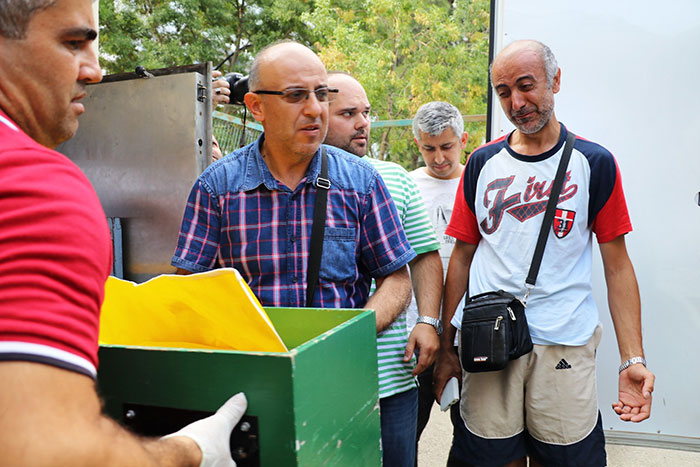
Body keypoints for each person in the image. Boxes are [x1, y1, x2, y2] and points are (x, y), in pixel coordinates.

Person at [0, 2, 248, 465]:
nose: (94, 71)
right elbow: (50, 450)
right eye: (73, 42)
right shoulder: (34, 186)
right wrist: (191, 451)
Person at [433, 39, 656, 467]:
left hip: (564, 344)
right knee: (490, 458)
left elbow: (617, 267)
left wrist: (633, 358)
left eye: (526, 85)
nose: (517, 102)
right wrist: (448, 346)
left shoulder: (594, 162)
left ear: (555, 80)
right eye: (503, 92)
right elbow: (461, 256)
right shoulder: (481, 163)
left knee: (567, 460)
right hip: (488, 341)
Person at [172, 39, 414, 364]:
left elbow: (396, 278)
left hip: (338, 368)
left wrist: (353, 331)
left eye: (322, 94)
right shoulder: (217, 188)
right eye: (296, 95)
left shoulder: (361, 183)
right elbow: (187, 290)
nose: (315, 108)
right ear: (256, 106)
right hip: (249, 371)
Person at [324, 72, 442, 467]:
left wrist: (427, 321)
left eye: (367, 112)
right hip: (324, 376)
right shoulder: (300, 183)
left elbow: (425, 255)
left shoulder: (393, 176)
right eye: (348, 113)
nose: (363, 123)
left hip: (391, 374)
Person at [407, 101, 472, 466]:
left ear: (462, 140)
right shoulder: (405, 185)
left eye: (447, 147)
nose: (439, 158)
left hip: (467, 334)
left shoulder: (477, 184)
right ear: (418, 145)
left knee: (469, 436)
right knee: (406, 431)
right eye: (429, 149)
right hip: (417, 333)